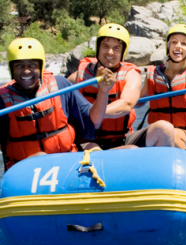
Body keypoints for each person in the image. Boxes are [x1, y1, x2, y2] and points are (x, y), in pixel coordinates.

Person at [0, 38, 114, 170]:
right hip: (25, 171)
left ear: (41, 66)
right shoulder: (2, 100)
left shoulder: (60, 85)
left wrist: (103, 91)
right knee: (40, 155)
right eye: (19, 65)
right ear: (11, 69)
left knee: (94, 148)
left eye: (32, 65)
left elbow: (95, 121)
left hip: (66, 163)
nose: (26, 71)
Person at [125, 24, 186, 149]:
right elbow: (138, 102)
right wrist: (123, 96)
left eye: (184, 43)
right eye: (174, 42)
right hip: (161, 129)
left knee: (172, 136)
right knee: (165, 132)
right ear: (168, 46)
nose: (178, 46)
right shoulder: (152, 74)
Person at [68, 23, 141, 150]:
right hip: (88, 140)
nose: (110, 52)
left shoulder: (130, 75)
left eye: (116, 48)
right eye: (105, 46)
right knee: (94, 147)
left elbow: (126, 105)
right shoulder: (79, 75)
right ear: (98, 48)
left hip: (122, 139)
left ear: (122, 51)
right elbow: (60, 99)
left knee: (163, 128)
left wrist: (93, 114)